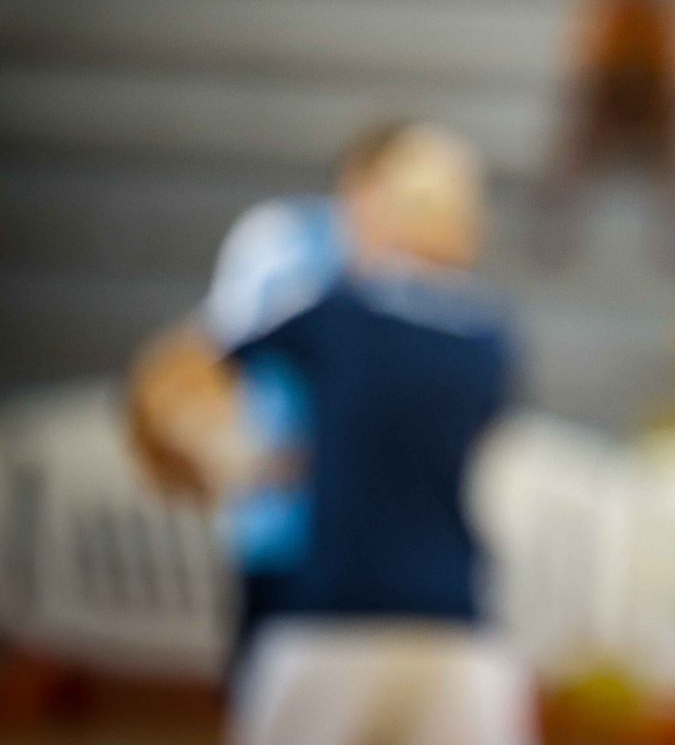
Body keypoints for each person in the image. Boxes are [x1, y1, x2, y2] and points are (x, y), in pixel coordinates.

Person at [129, 121, 536, 745]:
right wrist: (240, 463)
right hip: (379, 591)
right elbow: (183, 378)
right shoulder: (302, 262)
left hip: (352, 600)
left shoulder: (360, 313)